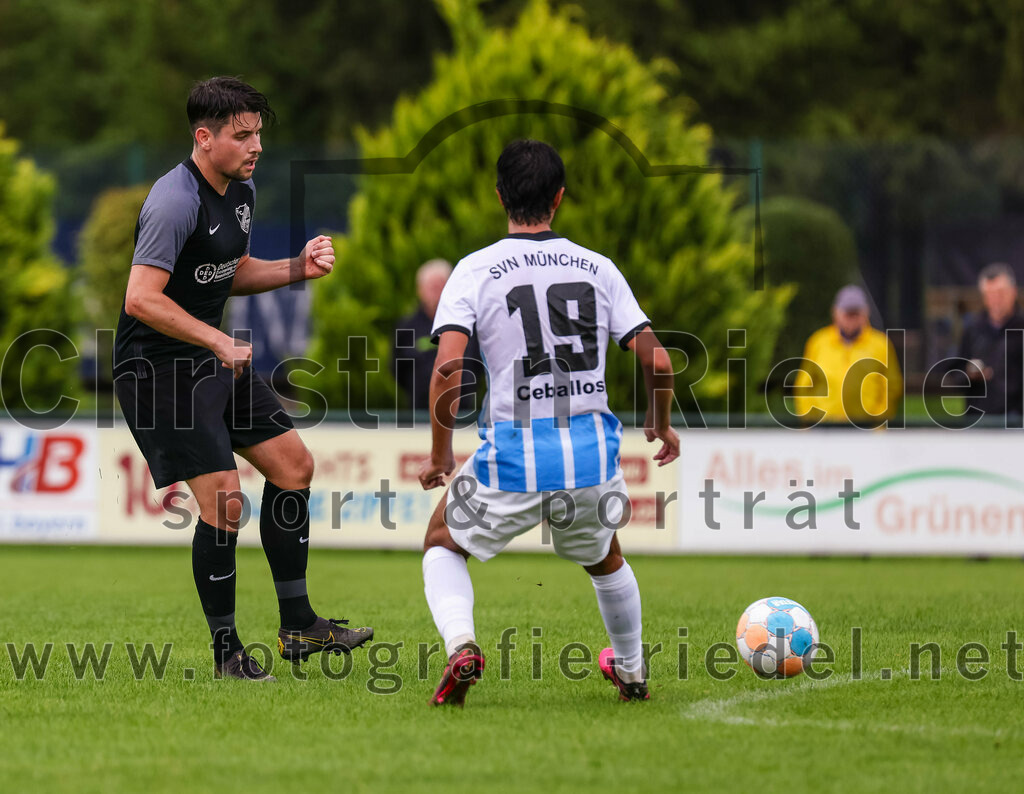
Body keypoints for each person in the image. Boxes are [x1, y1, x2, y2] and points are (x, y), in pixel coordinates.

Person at [113, 77, 372, 681]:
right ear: (204, 139)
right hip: (157, 369)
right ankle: (228, 654)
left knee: (294, 468)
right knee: (226, 502)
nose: (255, 145)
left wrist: (296, 269)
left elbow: (227, 271)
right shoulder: (174, 200)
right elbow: (139, 299)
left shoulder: (241, 188)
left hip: (207, 357)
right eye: (241, 135)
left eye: (258, 132)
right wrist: (215, 338)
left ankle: (299, 626)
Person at [417, 139, 679, 706]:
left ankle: (463, 646)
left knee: (441, 541)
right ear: (559, 198)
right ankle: (632, 673)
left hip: (512, 457)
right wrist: (659, 423)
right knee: (605, 554)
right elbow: (658, 360)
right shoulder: (598, 268)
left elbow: (446, 371)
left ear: (499, 196)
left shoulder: (474, 270)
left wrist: (441, 454)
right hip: (590, 457)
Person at [794, 285, 903, 426]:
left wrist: (878, 420)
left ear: (866, 313)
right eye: (847, 313)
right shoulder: (818, 342)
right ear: (835, 313)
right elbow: (804, 385)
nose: (851, 318)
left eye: (856, 313)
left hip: (866, 429)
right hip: (824, 429)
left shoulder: (880, 345)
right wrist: (810, 420)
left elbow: (892, 386)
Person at [392, 259, 482, 413]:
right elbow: (396, 368)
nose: (437, 292)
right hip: (419, 413)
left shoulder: (467, 325)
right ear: (420, 290)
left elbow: (477, 363)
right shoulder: (407, 326)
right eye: (432, 287)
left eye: (441, 286)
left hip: (462, 412)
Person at [958, 262, 1024, 421]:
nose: (996, 300)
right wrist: (970, 373)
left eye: (1001, 293)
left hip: (1016, 419)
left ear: (1013, 292)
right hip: (978, 417)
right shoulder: (973, 329)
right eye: (990, 294)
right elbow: (955, 370)